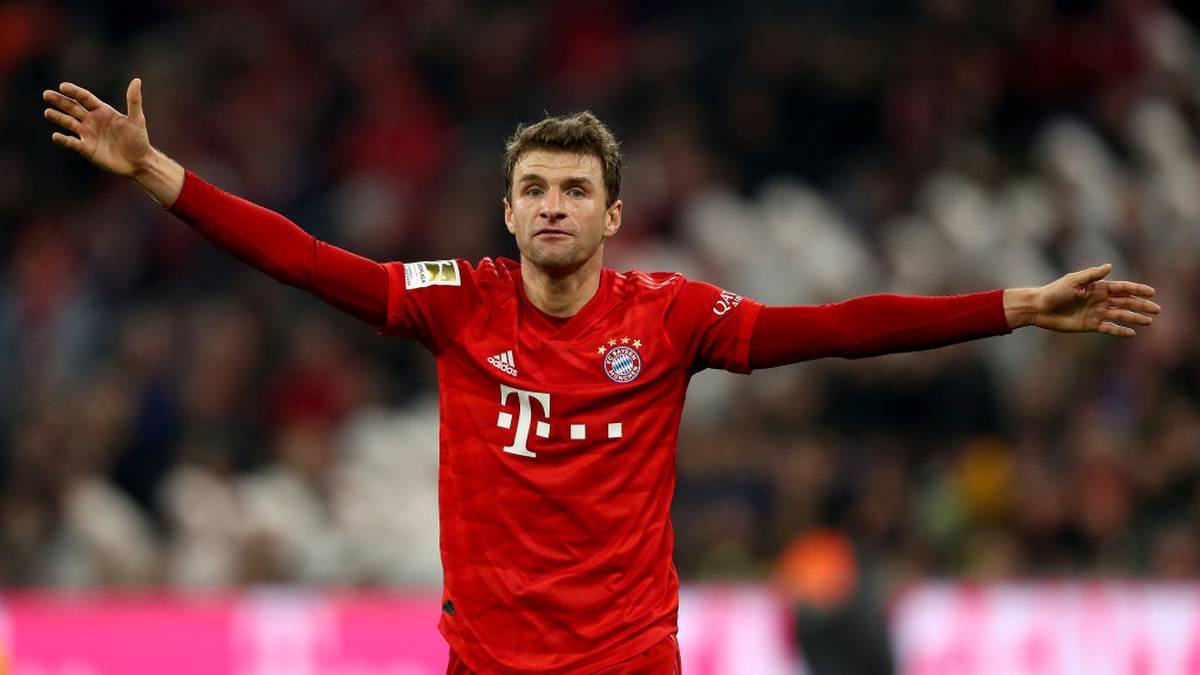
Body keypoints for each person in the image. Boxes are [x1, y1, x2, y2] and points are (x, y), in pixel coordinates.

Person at [43, 78, 1160, 674]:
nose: (552, 206)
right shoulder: (458, 303)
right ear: (509, 208)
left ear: (613, 214)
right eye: (534, 188)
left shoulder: (669, 318)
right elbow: (305, 260)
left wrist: (1014, 305)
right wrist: (159, 176)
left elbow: (839, 326)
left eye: (575, 190)